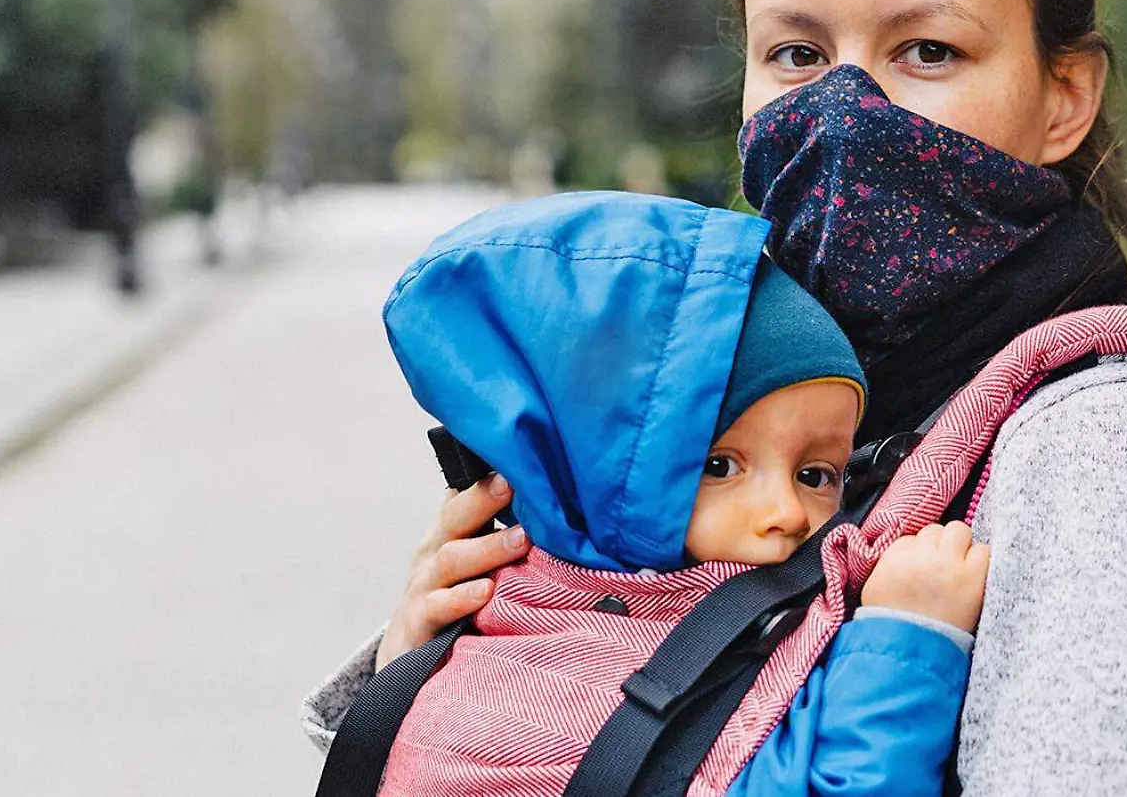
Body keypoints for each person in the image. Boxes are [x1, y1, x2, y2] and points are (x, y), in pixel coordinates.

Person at [306, 0, 1127, 795]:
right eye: (796, 53)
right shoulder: (729, 372)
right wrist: (441, 663)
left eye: (927, 50)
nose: (843, 109)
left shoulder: (1120, 452)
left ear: (1062, 99)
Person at [370, 192, 986, 796]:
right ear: (590, 476)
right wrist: (908, 639)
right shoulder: (513, 690)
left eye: (816, 475)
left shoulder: (761, 604)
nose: (787, 513)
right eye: (719, 465)